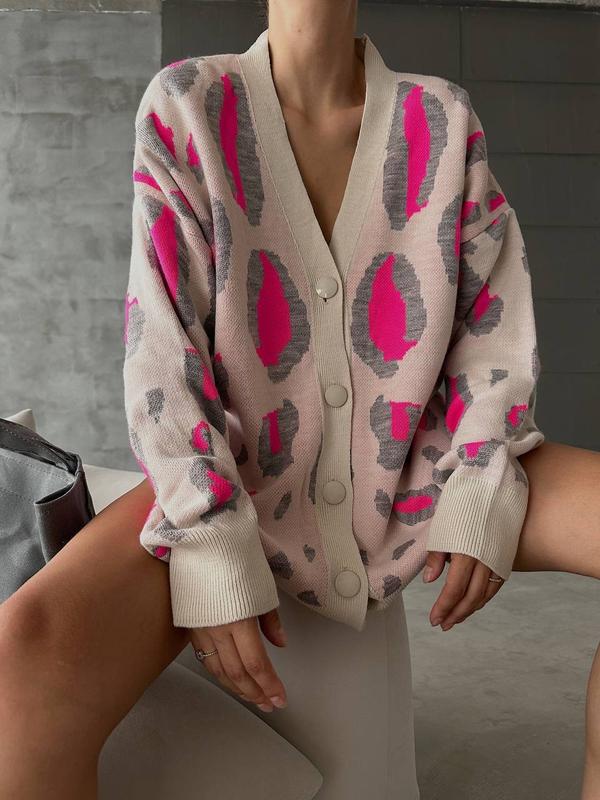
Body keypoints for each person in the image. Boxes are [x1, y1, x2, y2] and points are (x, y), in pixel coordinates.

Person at [0, 1, 598, 798]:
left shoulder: (441, 118)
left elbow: (491, 328)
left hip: (425, 469)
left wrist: (482, 483)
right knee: (27, 652)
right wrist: (209, 537)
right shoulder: (189, 103)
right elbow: (162, 354)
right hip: (241, 478)